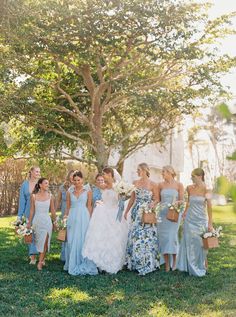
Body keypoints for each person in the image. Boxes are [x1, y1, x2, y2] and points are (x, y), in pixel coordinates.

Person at [82, 167, 128, 274]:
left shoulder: (118, 187)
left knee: (114, 239)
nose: (103, 176)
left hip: (114, 214)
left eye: (105, 174)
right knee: (103, 238)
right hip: (103, 214)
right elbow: (90, 188)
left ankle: (113, 262)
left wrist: (122, 195)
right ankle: (102, 263)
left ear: (110, 175)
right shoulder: (104, 186)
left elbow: (120, 201)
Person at [124, 163, 160, 275]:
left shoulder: (153, 184)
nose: (137, 172)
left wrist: (151, 205)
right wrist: (126, 212)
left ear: (145, 170)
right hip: (136, 212)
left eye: (138, 170)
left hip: (147, 213)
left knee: (147, 237)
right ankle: (135, 262)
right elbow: (132, 199)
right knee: (135, 236)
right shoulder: (135, 183)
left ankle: (147, 262)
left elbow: (157, 199)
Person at [177, 168, 213, 276]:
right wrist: (184, 212)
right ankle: (189, 266)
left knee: (200, 243)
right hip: (189, 219)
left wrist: (210, 223)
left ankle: (201, 265)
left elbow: (210, 207)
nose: (191, 178)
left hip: (201, 220)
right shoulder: (189, 188)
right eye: (191, 177)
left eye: (193, 177)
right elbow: (188, 202)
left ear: (200, 176)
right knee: (189, 242)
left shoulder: (207, 189)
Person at [63, 171, 98, 276]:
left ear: (82, 179)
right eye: (75, 180)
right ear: (72, 180)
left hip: (84, 216)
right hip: (72, 217)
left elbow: (89, 206)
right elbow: (68, 207)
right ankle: (71, 263)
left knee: (83, 239)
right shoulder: (69, 191)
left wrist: (91, 218)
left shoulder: (88, 191)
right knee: (72, 240)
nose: (77, 182)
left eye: (79, 180)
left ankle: (83, 262)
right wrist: (65, 218)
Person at [156, 165, 184, 272]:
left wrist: (175, 204)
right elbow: (158, 200)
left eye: (164, 172)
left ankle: (175, 262)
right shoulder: (160, 185)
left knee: (172, 238)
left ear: (170, 172)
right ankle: (167, 264)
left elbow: (182, 200)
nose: (162, 174)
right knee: (164, 239)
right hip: (162, 215)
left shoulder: (179, 185)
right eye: (162, 172)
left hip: (174, 215)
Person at [27, 178, 57, 271]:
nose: (47, 185)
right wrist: (29, 222)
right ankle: (42, 258)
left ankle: (40, 262)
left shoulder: (50, 196)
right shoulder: (34, 196)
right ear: (40, 185)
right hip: (37, 221)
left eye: (48, 183)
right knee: (39, 242)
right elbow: (32, 210)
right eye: (45, 183)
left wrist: (55, 222)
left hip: (47, 221)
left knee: (45, 241)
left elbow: (52, 210)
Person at [17, 166, 41, 264]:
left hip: (39, 211)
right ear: (31, 172)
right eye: (36, 171)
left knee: (40, 233)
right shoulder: (25, 185)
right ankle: (32, 257)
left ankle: (41, 256)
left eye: (39, 172)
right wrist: (19, 215)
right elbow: (22, 200)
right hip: (28, 211)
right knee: (29, 233)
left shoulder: (41, 183)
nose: (38, 173)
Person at [55, 170, 74, 261]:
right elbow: (58, 201)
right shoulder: (62, 187)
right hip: (64, 212)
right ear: (68, 176)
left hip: (74, 212)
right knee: (64, 234)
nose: (72, 177)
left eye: (74, 176)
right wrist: (54, 213)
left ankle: (72, 254)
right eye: (71, 175)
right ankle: (64, 256)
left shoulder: (78, 187)